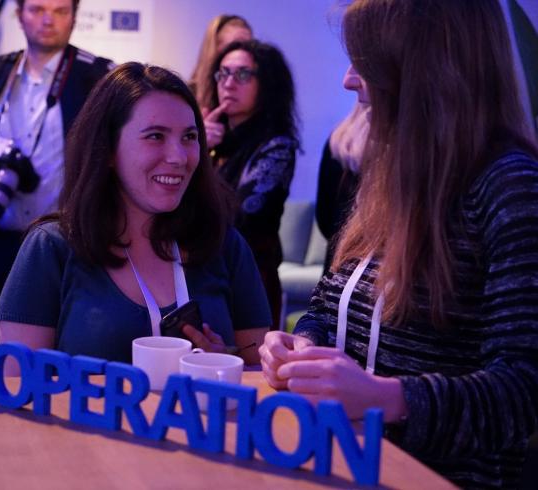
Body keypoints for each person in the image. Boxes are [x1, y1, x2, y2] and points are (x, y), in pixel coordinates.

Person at [259, 0, 538, 487]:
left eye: (365, 63)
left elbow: (522, 391)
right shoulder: (388, 176)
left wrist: (386, 398)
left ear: (428, 70)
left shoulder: (511, 187)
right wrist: (304, 344)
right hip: (343, 465)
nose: (349, 80)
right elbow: (329, 306)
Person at [0, 63, 271, 369]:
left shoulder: (224, 245)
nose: (179, 157)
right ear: (108, 149)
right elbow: (14, 385)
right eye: (155, 136)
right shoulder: (53, 248)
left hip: (199, 417)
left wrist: (225, 362)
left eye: (190, 137)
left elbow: (260, 374)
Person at [0, 0, 113, 322]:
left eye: (60, 11)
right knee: (3, 343)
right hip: (1, 236)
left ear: (74, 18)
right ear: (19, 15)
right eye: (37, 9)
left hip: (66, 239)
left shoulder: (93, 75)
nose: (49, 20)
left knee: (64, 344)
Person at [205, 40, 300, 326]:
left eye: (243, 74)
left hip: (249, 280)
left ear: (267, 83)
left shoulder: (276, 145)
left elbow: (241, 216)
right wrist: (193, 146)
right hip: (205, 272)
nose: (229, 83)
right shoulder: (213, 142)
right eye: (223, 73)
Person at [315, 101, 368, 272]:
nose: (348, 82)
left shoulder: (339, 140)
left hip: (338, 263)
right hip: (356, 271)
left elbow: (324, 217)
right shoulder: (340, 143)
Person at [188, 14, 252, 112]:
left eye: (248, 48)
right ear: (213, 51)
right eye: (233, 47)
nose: (241, 54)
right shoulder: (186, 97)